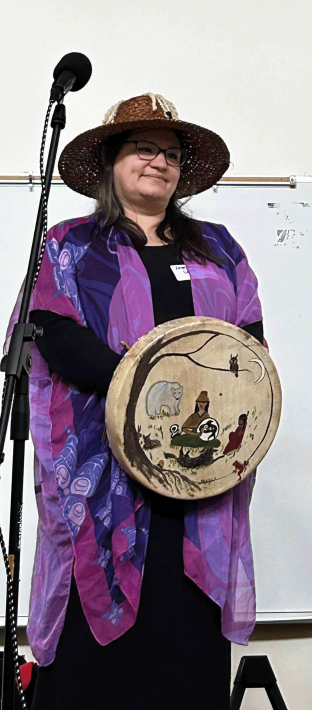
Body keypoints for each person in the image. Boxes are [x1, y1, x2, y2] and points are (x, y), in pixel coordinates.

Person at [11, 92, 264, 710]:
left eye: (171, 153)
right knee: (93, 666)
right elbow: (54, 332)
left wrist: (206, 402)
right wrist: (150, 386)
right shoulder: (69, 245)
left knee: (183, 650)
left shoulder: (219, 248)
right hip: (103, 486)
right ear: (109, 162)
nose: (160, 161)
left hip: (198, 485)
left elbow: (247, 345)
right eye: (143, 148)